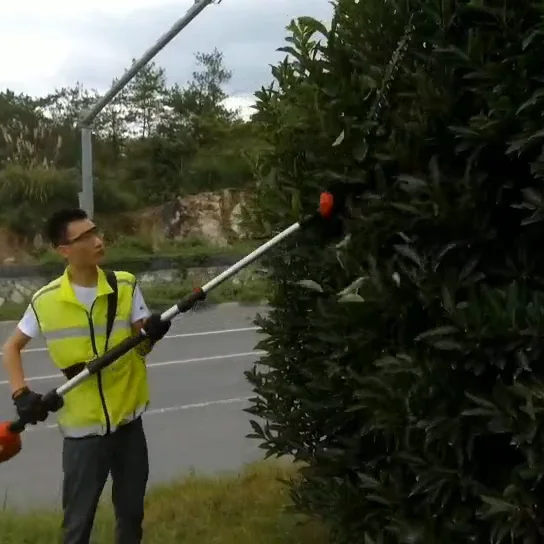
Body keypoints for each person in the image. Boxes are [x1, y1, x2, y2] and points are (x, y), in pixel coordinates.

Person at [1, 208, 171, 544]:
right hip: (83, 433)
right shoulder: (46, 301)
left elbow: (141, 349)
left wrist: (152, 334)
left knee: (131, 518)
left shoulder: (124, 285)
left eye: (97, 232)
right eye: (86, 237)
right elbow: (12, 347)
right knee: (77, 526)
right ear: (64, 249)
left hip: (128, 424)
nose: (98, 241)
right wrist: (21, 394)